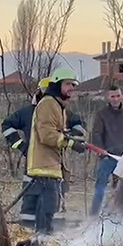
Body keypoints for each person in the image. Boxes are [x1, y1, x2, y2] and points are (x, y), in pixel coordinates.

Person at [3, 78, 85, 222]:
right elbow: (6, 126)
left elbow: (79, 125)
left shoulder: (61, 111)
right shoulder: (27, 112)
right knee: (30, 203)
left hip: (54, 164)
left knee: (53, 202)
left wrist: (71, 137)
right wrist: (22, 146)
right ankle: (29, 232)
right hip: (33, 163)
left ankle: (48, 232)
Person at [25, 68, 86, 235]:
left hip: (51, 164)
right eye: (67, 84)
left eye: (73, 85)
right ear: (57, 84)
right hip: (43, 164)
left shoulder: (59, 106)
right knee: (49, 204)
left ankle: (43, 236)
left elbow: (56, 130)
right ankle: (43, 238)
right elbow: (46, 134)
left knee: (51, 204)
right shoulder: (48, 103)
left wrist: (71, 135)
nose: (71, 88)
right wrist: (71, 143)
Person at [88, 85, 123, 216]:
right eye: (112, 96)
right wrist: (101, 152)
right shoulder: (101, 115)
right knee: (100, 189)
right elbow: (96, 134)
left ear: (122, 96)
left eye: (117, 96)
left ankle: (118, 216)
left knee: (122, 191)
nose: (115, 99)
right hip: (107, 158)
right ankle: (93, 217)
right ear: (108, 98)